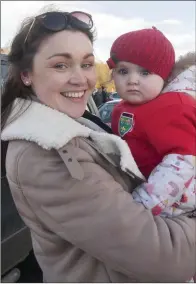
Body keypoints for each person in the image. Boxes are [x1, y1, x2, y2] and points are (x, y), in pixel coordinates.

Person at [1, 11, 195, 282]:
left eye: (87, 64)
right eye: (60, 65)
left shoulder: (78, 121)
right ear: (26, 75)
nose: (81, 79)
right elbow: (166, 255)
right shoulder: (45, 153)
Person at [108, 29, 196, 217]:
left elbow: (181, 162)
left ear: (164, 76)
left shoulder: (171, 107)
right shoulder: (123, 108)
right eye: (123, 71)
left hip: (174, 204)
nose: (132, 80)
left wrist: (143, 204)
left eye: (145, 72)